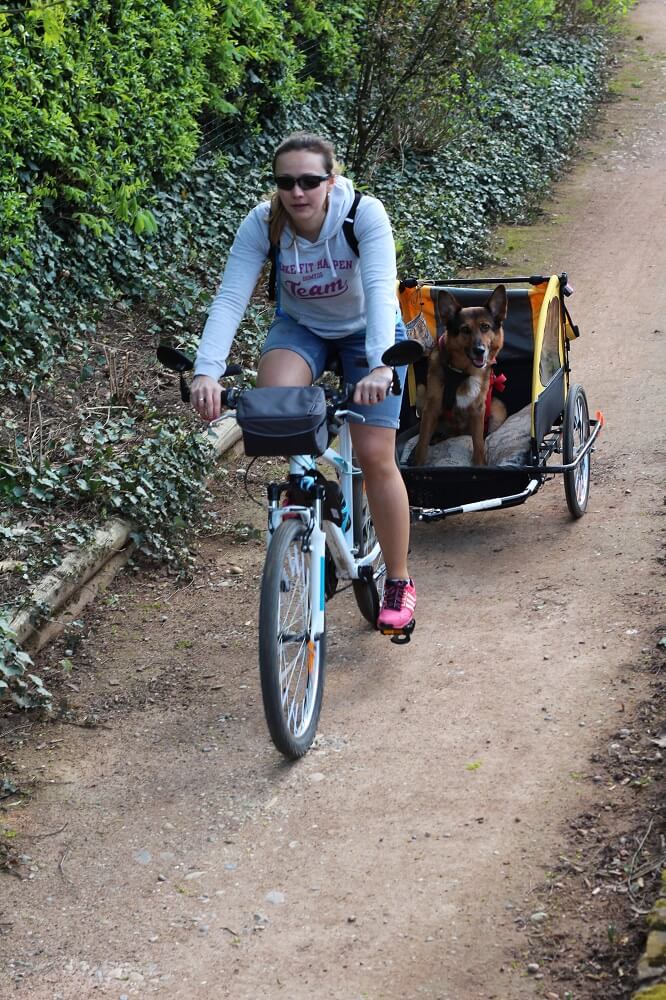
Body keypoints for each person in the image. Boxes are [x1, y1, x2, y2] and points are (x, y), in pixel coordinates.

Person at [190, 131, 416, 631]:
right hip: (303, 329)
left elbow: (381, 292)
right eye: (286, 182)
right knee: (278, 407)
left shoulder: (363, 215)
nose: (298, 192)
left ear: (330, 182)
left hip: (367, 334)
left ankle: (398, 578)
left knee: (376, 455)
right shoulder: (263, 223)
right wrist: (207, 370)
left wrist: (381, 365)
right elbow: (230, 298)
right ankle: (312, 508)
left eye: (310, 181)